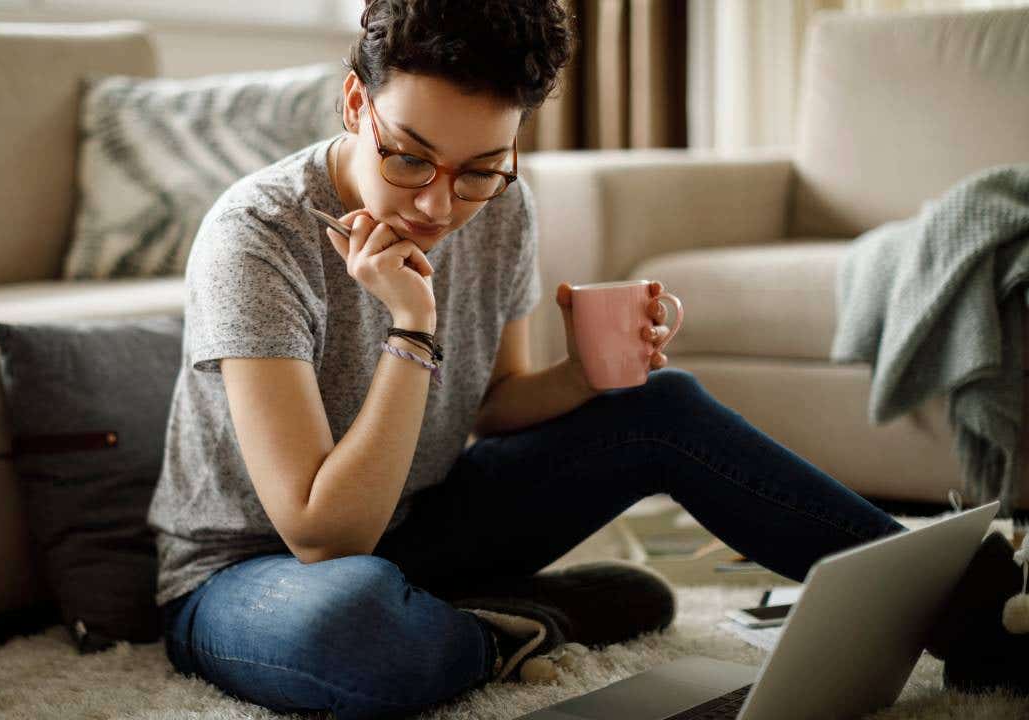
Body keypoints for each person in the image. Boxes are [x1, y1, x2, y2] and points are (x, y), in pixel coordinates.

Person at [146, 1, 1009, 717]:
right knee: (355, 633)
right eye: (408, 158)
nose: (441, 203)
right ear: (353, 105)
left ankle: (972, 605)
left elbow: (494, 403)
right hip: (257, 574)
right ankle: (515, 622)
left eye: (482, 168)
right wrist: (412, 328)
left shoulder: (499, 208)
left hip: (424, 522)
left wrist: (591, 376)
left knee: (661, 403)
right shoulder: (256, 238)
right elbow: (324, 533)